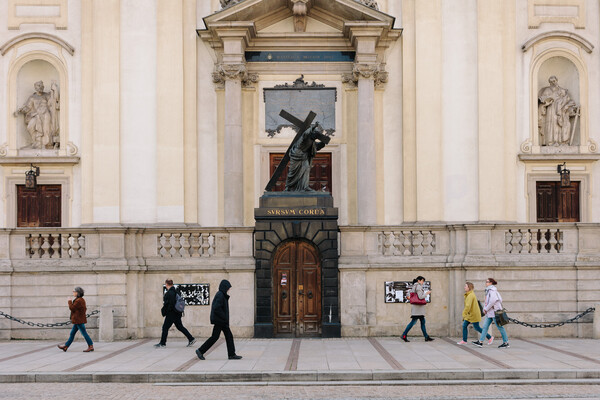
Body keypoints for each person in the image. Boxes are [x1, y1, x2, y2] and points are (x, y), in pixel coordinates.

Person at [195, 279, 242, 360]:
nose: (228, 289)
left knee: (225, 336)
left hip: (221, 320)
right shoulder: (220, 295)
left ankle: (231, 354)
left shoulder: (222, 294)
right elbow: (217, 308)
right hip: (220, 321)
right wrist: (224, 317)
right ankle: (200, 351)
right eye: (228, 287)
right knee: (216, 337)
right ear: (224, 287)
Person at [14, 80, 60, 149]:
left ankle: (45, 144)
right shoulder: (32, 97)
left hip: (45, 114)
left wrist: (54, 89)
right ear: (35, 87)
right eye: (38, 85)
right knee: (30, 127)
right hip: (36, 115)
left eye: (42, 86)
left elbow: (54, 100)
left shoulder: (46, 95)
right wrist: (20, 111)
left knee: (46, 129)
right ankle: (36, 142)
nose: (41, 87)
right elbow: (27, 107)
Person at [284, 122, 329, 192]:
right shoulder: (304, 137)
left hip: (303, 156)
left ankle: (305, 187)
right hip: (296, 155)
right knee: (292, 173)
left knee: (306, 169)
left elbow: (317, 147)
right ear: (312, 133)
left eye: (316, 135)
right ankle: (288, 187)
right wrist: (313, 127)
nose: (315, 136)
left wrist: (323, 142)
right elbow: (305, 133)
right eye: (315, 134)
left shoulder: (312, 142)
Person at [538, 75, 579, 146]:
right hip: (550, 109)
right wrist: (547, 100)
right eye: (551, 82)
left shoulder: (562, 90)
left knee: (559, 125)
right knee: (551, 124)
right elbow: (542, 99)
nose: (553, 83)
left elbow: (567, 100)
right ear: (549, 83)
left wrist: (570, 108)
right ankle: (551, 142)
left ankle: (559, 141)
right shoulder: (547, 90)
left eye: (554, 81)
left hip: (560, 110)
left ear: (557, 81)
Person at [154, 279, 195, 348]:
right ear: (172, 284)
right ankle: (191, 339)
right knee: (180, 327)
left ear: (166, 284)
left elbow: (171, 304)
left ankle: (162, 343)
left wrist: (167, 311)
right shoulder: (176, 291)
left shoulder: (170, 292)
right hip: (177, 312)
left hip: (172, 313)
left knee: (165, 327)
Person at [472, 278, 509, 348]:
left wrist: (486, 308)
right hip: (490, 313)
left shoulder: (492, 290)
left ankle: (506, 342)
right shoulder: (489, 290)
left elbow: (493, 301)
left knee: (500, 327)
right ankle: (480, 342)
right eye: (486, 282)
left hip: (494, 312)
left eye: (487, 282)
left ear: (491, 283)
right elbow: (499, 299)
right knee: (485, 327)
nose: (486, 283)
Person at [57, 287, 94, 352]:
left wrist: (69, 301)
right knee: (72, 333)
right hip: (77, 320)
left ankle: (90, 346)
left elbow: (72, 308)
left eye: (74, 292)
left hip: (78, 321)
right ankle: (66, 346)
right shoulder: (79, 299)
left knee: (84, 333)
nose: (73, 293)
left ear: (77, 293)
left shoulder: (79, 300)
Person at [401, 276, 434, 342]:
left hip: (417, 308)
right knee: (413, 322)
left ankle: (426, 336)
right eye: (422, 281)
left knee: (422, 322)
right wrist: (426, 293)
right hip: (418, 309)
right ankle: (404, 335)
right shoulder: (418, 286)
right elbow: (420, 297)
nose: (423, 282)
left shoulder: (414, 286)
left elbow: (409, 295)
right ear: (419, 280)